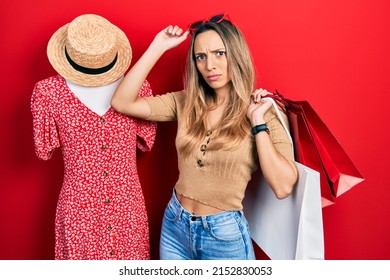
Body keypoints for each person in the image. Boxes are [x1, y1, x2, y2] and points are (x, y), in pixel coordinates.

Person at [111, 13, 298, 260]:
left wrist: (257, 122)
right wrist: (159, 46)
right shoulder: (187, 102)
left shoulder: (265, 111)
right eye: (201, 57)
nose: (209, 65)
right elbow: (122, 102)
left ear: (236, 54)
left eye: (219, 53)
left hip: (223, 235)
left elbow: (284, 186)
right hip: (174, 225)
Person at [31, 14, 156, 259]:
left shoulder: (140, 88)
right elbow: (43, 149)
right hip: (79, 209)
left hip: (127, 210)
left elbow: (147, 141)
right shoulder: (48, 93)